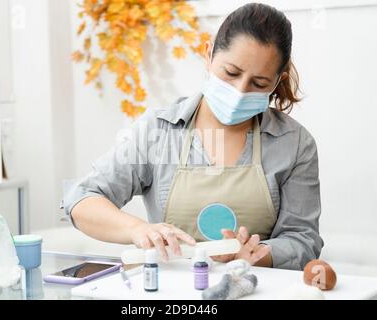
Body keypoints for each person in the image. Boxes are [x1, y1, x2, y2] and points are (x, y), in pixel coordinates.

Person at [63, 3, 323, 270]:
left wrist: (258, 255)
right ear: (208, 54)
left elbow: (303, 239)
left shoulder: (294, 144)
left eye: (259, 83)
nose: (240, 91)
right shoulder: (158, 132)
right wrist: (137, 229)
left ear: (277, 82)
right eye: (231, 73)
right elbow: (82, 199)